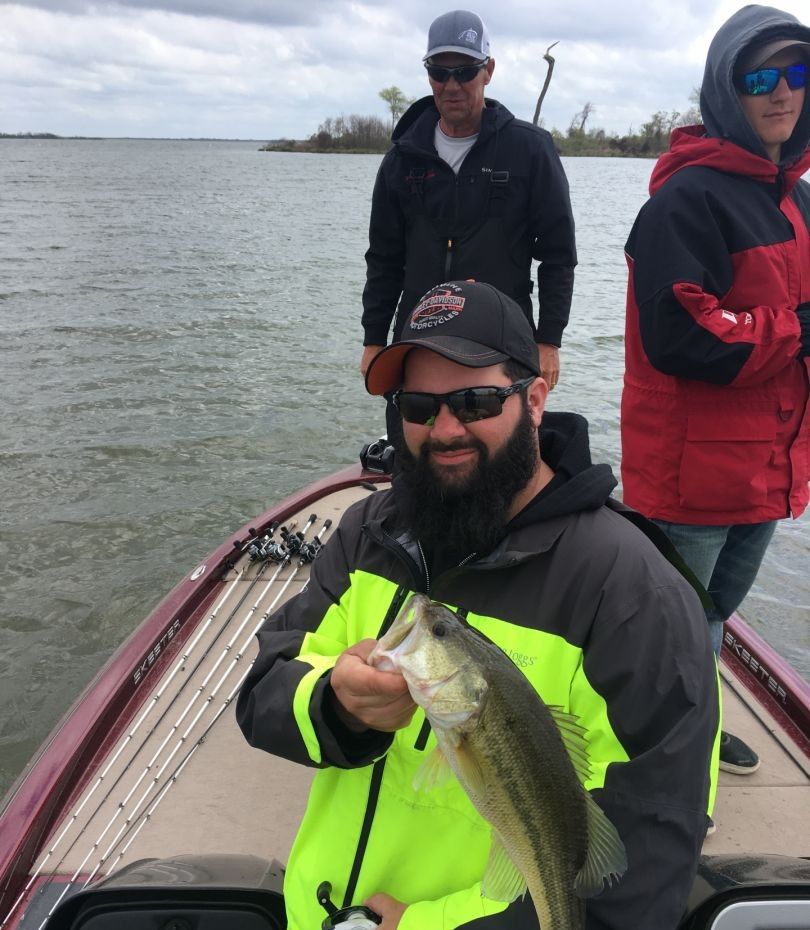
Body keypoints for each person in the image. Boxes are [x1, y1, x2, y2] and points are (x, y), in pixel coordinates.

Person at [238, 280, 719, 930]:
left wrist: (422, 926)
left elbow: (644, 870)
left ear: (536, 399)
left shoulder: (637, 595)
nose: (444, 428)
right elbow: (263, 694)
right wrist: (338, 707)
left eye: (476, 400)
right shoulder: (365, 535)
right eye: (418, 405)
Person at [621, 3, 810, 779]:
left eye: (798, 74)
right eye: (759, 76)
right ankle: (663, 774)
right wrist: (798, 327)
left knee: (713, 619)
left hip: (768, 467)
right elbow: (686, 337)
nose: (782, 92)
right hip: (691, 473)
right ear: (725, 89)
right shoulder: (683, 201)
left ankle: (693, 732)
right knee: (676, 631)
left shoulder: (796, 200)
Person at [359, 10, 577, 393]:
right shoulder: (401, 158)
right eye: (439, 72)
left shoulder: (530, 150)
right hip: (418, 337)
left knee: (506, 447)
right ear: (428, 74)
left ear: (488, 70)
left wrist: (549, 340)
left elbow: (558, 255)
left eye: (465, 71)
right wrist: (374, 340)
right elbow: (384, 258)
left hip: (503, 339)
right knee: (416, 440)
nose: (451, 84)